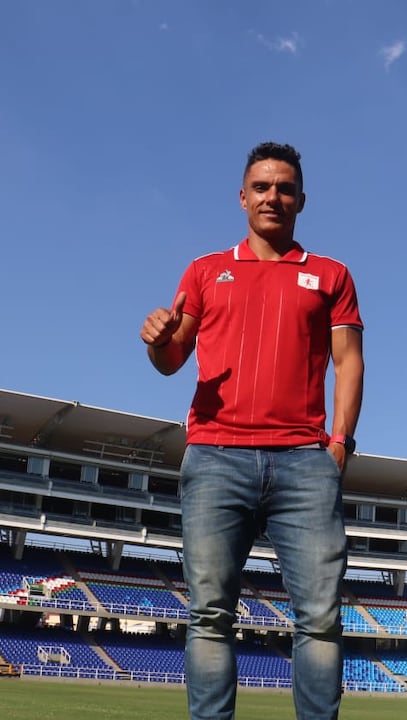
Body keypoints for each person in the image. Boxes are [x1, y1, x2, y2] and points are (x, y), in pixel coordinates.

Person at [139, 141, 364, 720]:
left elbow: (350, 361)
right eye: (262, 187)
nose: (273, 196)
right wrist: (160, 339)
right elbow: (171, 361)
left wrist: (339, 444)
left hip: (303, 462)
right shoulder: (206, 271)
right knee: (210, 614)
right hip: (216, 456)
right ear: (242, 198)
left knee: (319, 617)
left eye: (284, 188)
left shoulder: (331, 276)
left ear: (301, 201)